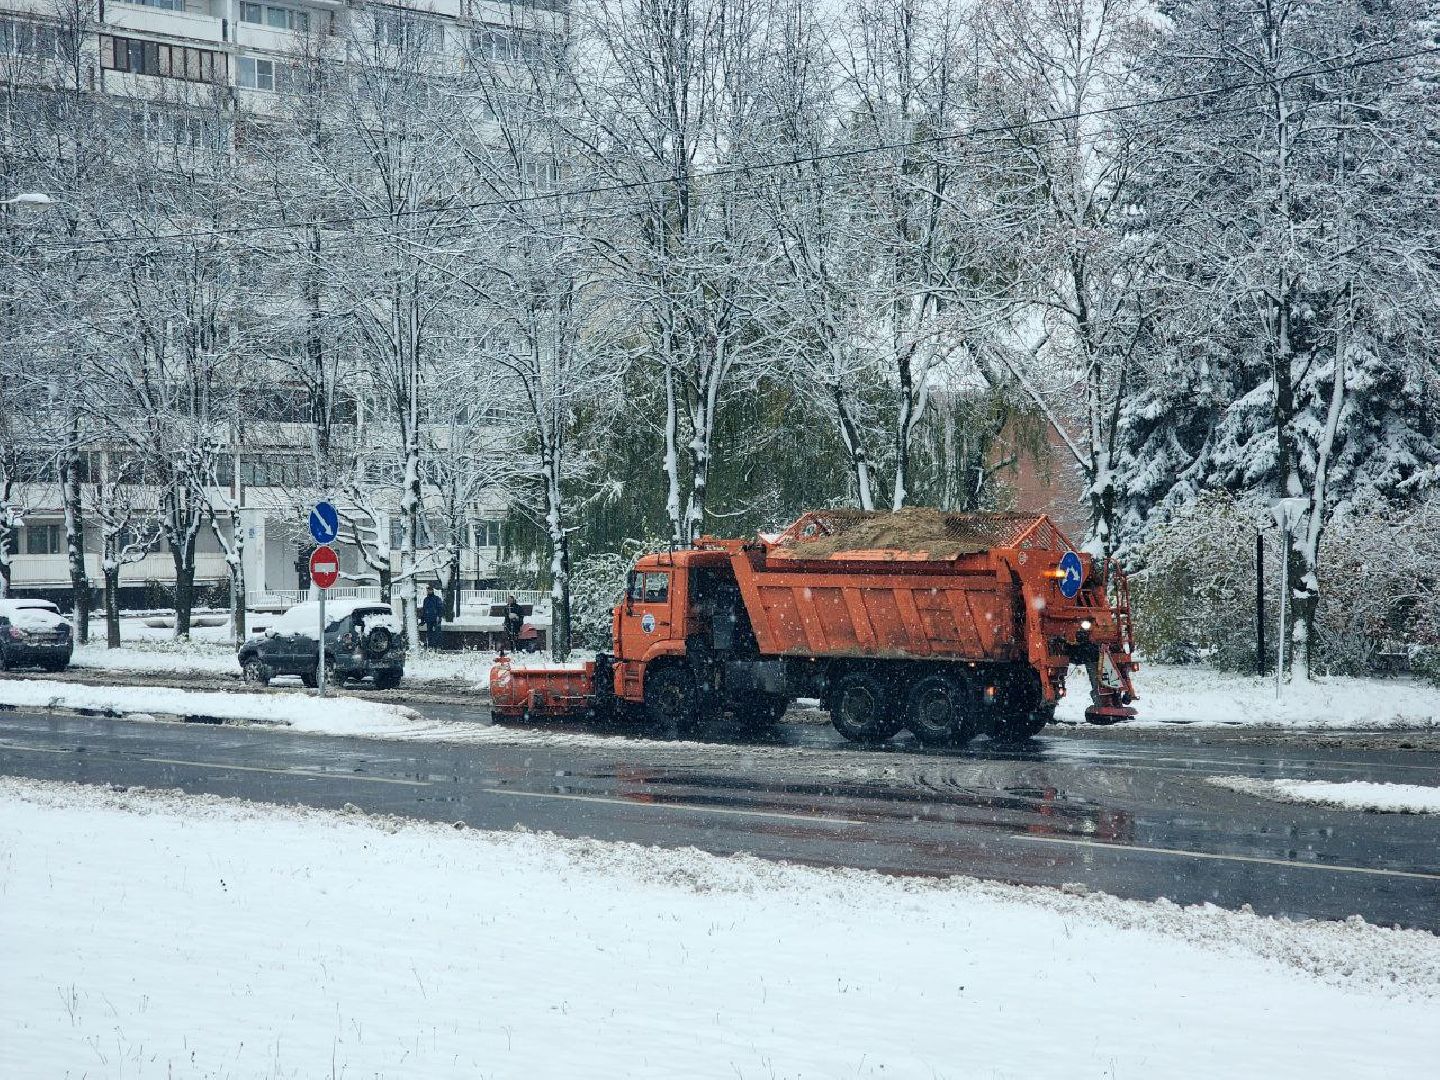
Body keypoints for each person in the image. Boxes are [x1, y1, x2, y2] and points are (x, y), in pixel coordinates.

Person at [420, 584, 444, 649]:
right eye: (428, 590)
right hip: (429, 619)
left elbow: (440, 608)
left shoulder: (437, 599)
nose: (429, 591)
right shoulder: (426, 599)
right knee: (429, 632)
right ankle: (430, 645)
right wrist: (423, 619)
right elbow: (424, 610)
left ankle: (438, 645)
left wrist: (439, 616)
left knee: (437, 632)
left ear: (432, 590)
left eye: (430, 590)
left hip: (436, 618)